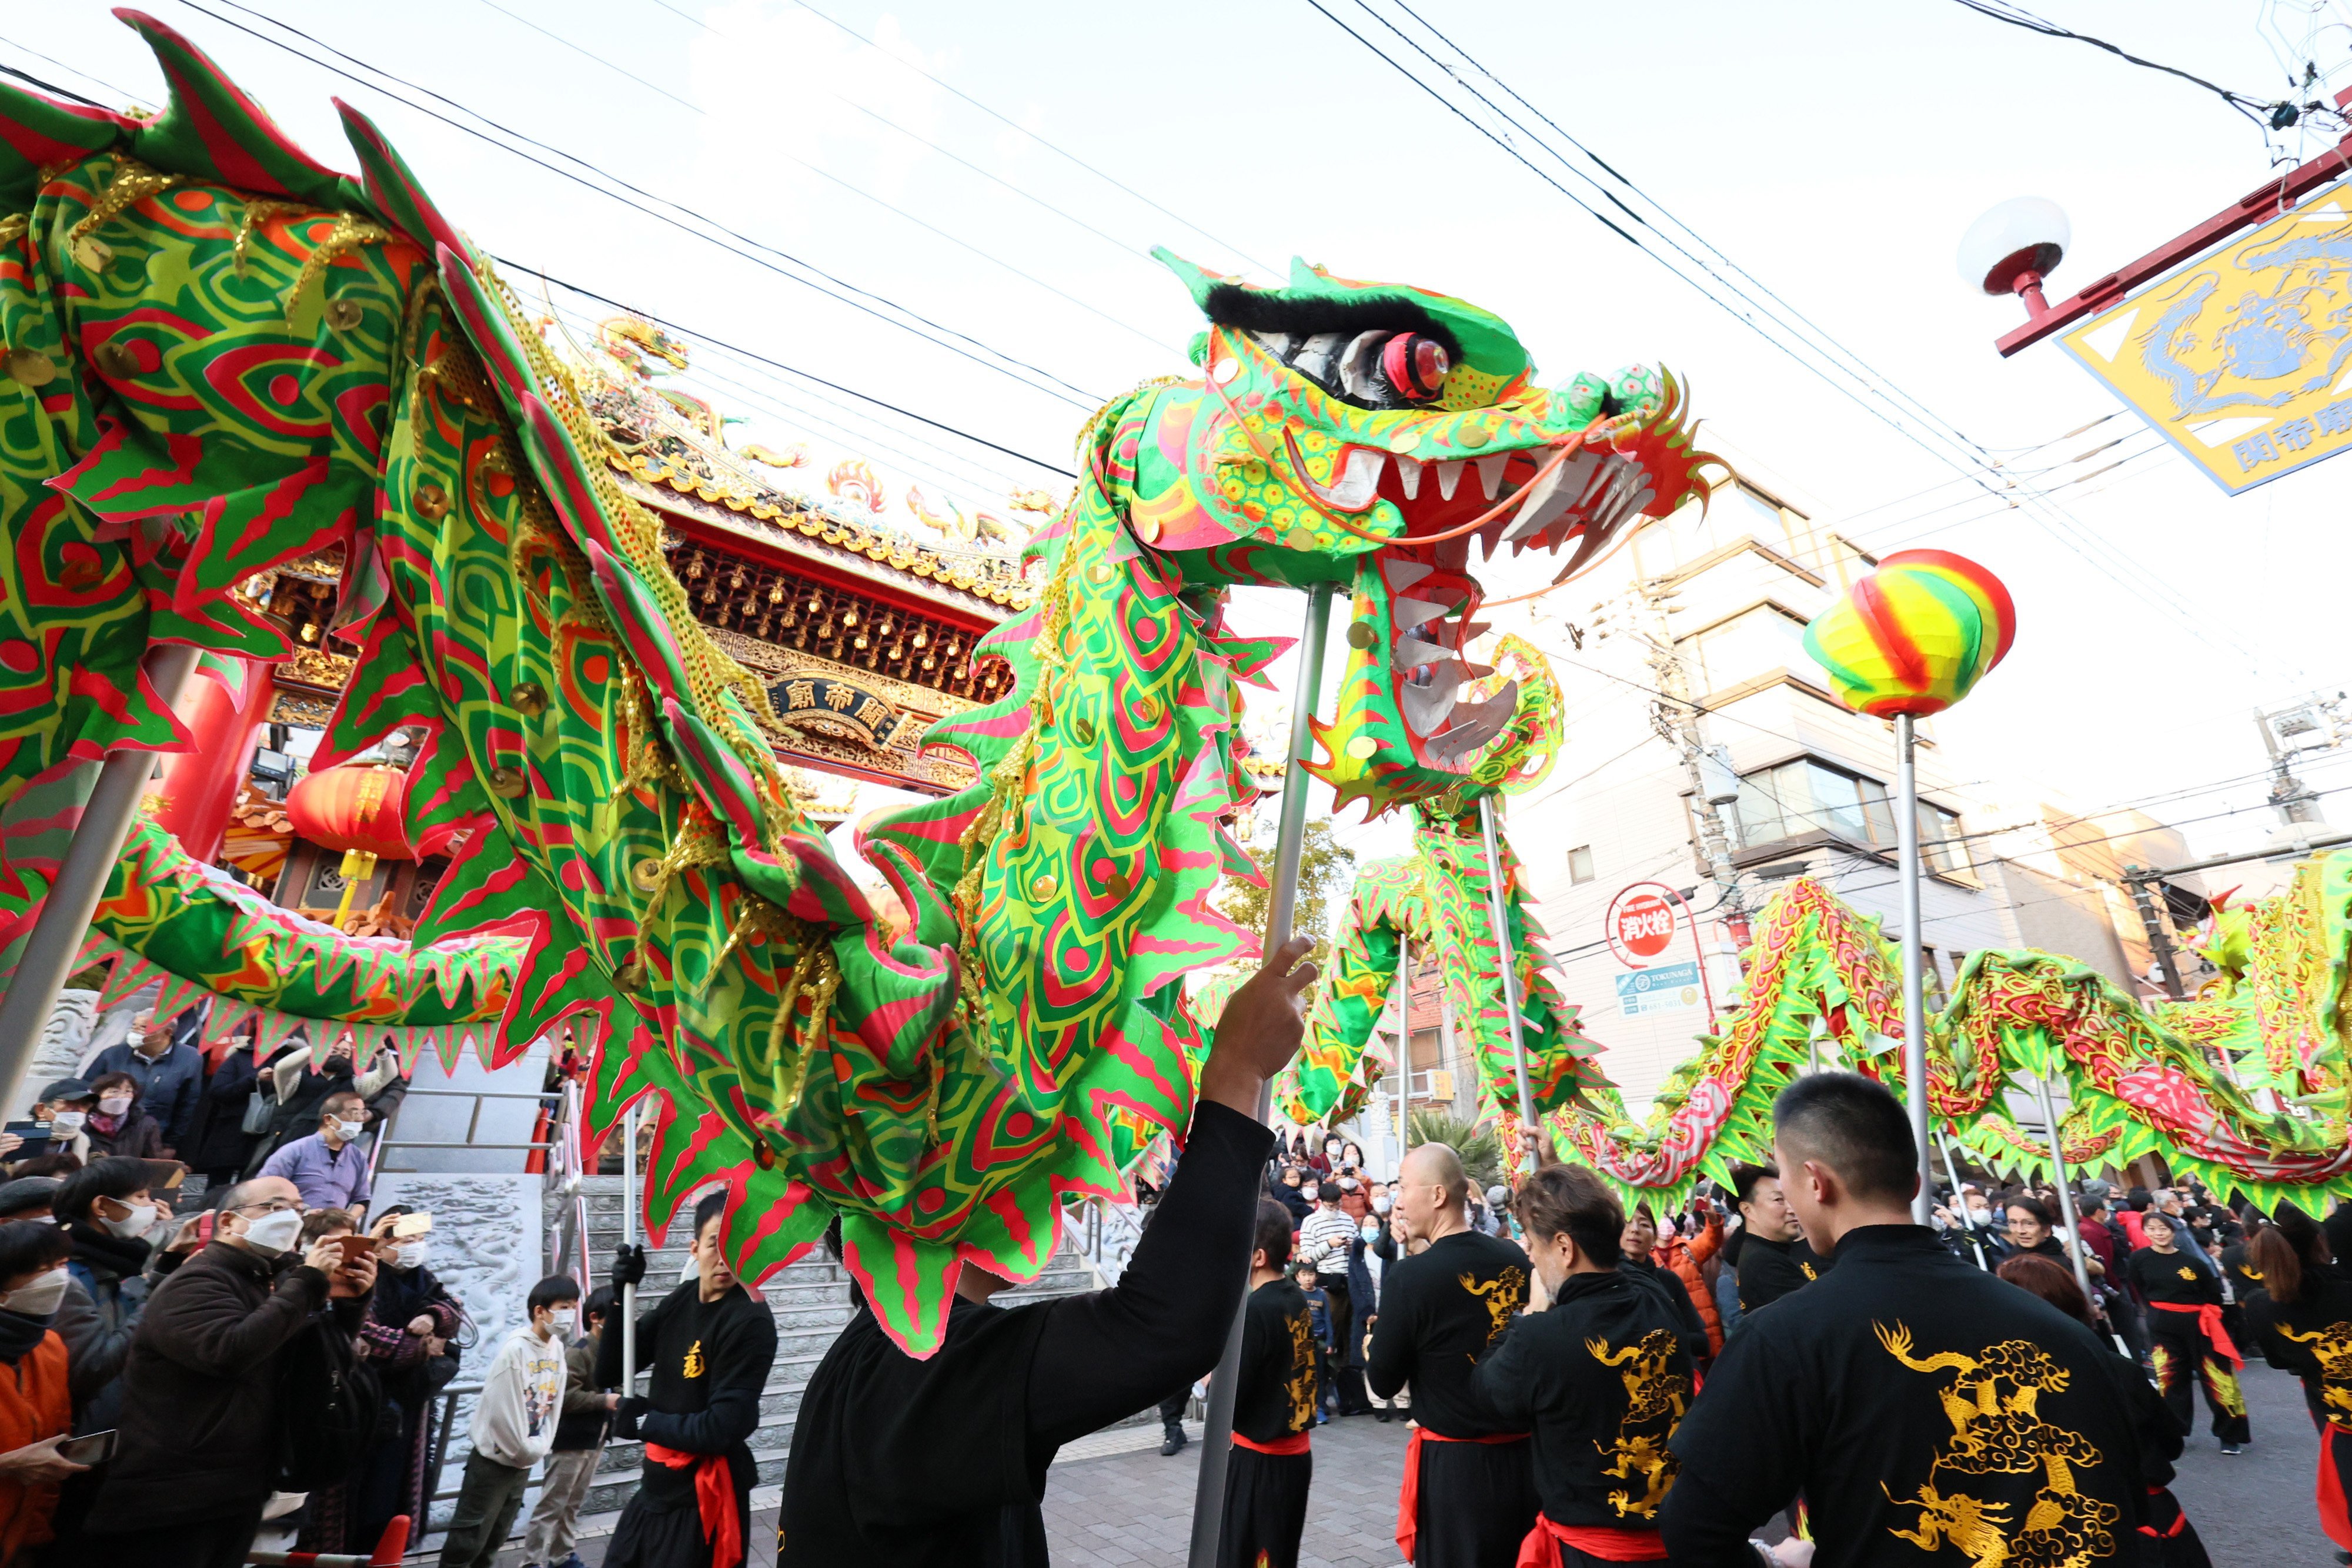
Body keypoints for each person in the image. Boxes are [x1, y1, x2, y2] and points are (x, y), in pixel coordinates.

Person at [777, 935, 1317, 1564]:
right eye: (1011, 1141)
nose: (1047, 1171)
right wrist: (1237, 1071)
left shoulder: (893, 1352)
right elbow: (1162, 1325)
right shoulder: (915, 1366)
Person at [1661, 1072, 2147, 1567]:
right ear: (1915, 1183)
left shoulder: (1785, 1336)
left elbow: (1695, 1530)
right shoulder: (2065, 1332)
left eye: (1784, 1181)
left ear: (1814, 1181)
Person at [87, 1176, 377, 1568]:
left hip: (236, 1488)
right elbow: (228, 1352)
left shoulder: (266, 1280)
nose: (290, 1217)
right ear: (228, 1221)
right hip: (176, 1496)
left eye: (297, 1209)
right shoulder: (198, 1281)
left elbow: (309, 1359)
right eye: (275, 1206)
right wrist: (308, 1281)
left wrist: (350, 1304)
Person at [1475, 1165, 1695, 1566]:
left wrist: (1529, 1312)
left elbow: (1488, 1393)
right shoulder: (1657, 1300)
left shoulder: (1540, 1335)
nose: (1529, 1256)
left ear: (1564, 1247)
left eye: (1533, 1244)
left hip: (1590, 1552)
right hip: (1676, 1542)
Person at [1367, 1140, 1537, 1568]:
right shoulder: (1514, 1256)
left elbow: (1383, 1381)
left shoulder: (1411, 1277)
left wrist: (1376, 1344)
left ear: (1438, 1195)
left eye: (1404, 1187)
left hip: (1457, 1471)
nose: (1398, 1201)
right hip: (1527, 1461)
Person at [1994, 1254, 2211, 1567]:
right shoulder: (2115, 1369)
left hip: (2052, 1529)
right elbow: (2168, 1442)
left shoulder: (1995, 1384)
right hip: (2136, 1516)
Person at [440, 1275, 578, 1568]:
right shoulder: (515, 1350)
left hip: (525, 1460)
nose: (570, 1314)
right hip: (494, 1461)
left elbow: (554, 1403)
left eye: (574, 1306)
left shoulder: (556, 1350)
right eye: (564, 1306)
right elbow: (503, 1411)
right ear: (540, 1311)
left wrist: (539, 1446)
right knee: (469, 1539)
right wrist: (530, 1449)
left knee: (496, 1537)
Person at [348, 1207, 463, 1552]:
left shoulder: (423, 1278)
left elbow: (453, 1308)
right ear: (382, 1244)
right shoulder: (361, 1274)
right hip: (365, 1402)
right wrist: (422, 1346)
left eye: (420, 1239)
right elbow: (365, 1334)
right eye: (406, 1240)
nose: (415, 1246)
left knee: (396, 1490)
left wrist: (432, 1315)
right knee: (360, 1494)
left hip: (410, 1405)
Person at [1218, 1202, 1318, 1568]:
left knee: (1244, 1556)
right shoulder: (1294, 1296)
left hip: (1260, 1462)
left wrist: (1212, 1380)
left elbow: (1229, 1401)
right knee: (1278, 1554)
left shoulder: (1257, 1311)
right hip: (1294, 1459)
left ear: (1258, 1256)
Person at [2246, 1206, 2352, 1550]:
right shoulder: (2346, 1290)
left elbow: (2279, 1361)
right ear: (2319, 1240)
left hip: (2337, 1413)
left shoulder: (2260, 1307)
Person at [49, 1157, 163, 1432]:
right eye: (142, 1196)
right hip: (77, 1432)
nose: (153, 1207)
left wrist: (169, 1264)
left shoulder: (109, 1264)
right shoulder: (67, 1276)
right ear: (102, 1206)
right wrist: (160, 1301)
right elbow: (93, 1368)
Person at [2129, 1209, 2249, 1454]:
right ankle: (2175, 1435)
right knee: (2171, 1380)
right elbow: (2139, 1288)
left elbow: (2213, 1293)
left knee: (2217, 1377)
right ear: (2145, 1232)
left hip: (2201, 1323)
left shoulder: (2193, 1262)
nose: (2158, 1233)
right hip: (2162, 1325)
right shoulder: (2138, 1259)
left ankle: (2230, 1435)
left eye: (2163, 1228)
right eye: (2152, 1228)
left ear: (2174, 1231)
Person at [0, 1219, 84, 1564]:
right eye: (41, 1270)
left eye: (61, 1266)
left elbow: (53, 1440)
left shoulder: (49, 1347)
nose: (58, 1278)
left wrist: (33, 1539)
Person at [524, 1285, 620, 1568]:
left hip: (596, 1437)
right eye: (616, 1316)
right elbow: (565, 1398)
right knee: (552, 1504)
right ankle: (533, 1562)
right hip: (573, 1439)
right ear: (595, 1317)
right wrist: (605, 1400)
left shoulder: (611, 1350)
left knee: (573, 1503)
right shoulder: (578, 1352)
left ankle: (561, 1555)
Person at [88, 1011, 203, 1158]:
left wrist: (171, 1144)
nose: (135, 1032)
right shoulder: (112, 1055)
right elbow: (88, 1089)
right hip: (105, 1135)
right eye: (134, 1026)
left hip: (153, 1138)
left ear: (167, 1032)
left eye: (142, 1028)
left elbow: (187, 1106)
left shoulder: (190, 1059)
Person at [257, 1090, 374, 1219]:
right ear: (328, 1119)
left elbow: (362, 1199)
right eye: (353, 1113)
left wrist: (346, 1222)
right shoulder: (295, 1151)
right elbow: (264, 1190)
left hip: (333, 1232)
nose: (359, 1119)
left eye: (362, 1113)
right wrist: (299, 1214)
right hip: (294, 1226)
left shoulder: (358, 1157)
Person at [1616, 1205, 1709, 1366]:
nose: (1635, 1230)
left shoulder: (1669, 1280)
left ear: (1654, 1238)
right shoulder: (1609, 1281)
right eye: (1627, 1222)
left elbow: (1701, 1343)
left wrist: (1664, 1339)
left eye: (1644, 1224)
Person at [1730, 1162, 1822, 1315]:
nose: (1792, 1210)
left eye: (1790, 1199)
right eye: (1778, 1200)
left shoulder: (1774, 1251)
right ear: (1748, 1210)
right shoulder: (1763, 1263)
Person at [1297, 1182, 1357, 1412]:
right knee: (1327, 1339)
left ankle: (1344, 1391)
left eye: (1338, 1204)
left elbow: (1357, 1247)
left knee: (1346, 1340)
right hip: (1325, 1286)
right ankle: (1321, 1393)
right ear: (1321, 1202)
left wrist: (1350, 1246)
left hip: (1347, 1282)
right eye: (1331, 1205)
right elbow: (1306, 1256)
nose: (1335, 1209)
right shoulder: (1311, 1222)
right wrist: (1328, 1245)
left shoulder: (1348, 1220)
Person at [181, 1040, 265, 1193]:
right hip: (231, 1134)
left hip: (265, 1139)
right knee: (217, 1189)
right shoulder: (240, 1057)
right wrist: (254, 1079)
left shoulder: (291, 1059)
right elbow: (218, 1091)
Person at [1651, 1198, 1724, 1358]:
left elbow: (1711, 1242)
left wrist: (1713, 1222)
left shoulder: (1686, 1248)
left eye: (1666, 1218)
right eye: (1659, 1219)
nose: (1665, 1224)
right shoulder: (1646, 1258)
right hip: (1671, 1332)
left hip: (1704, 1325)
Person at [1293, 1261, 1332, 1423]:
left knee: (1320, 1376)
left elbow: (1328, 1320)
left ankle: (1320, 1408)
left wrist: (1330, 1342)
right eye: (1304, 1275)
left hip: (1319, 1342)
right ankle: (1303, 1408)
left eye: (1311, 1274)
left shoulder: (1322, 1295)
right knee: (1303, 1376)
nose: (1308, 1278)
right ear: (1297, 1277)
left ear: (1316, 1276)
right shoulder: (1296, 1294)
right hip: (1302, 1342)